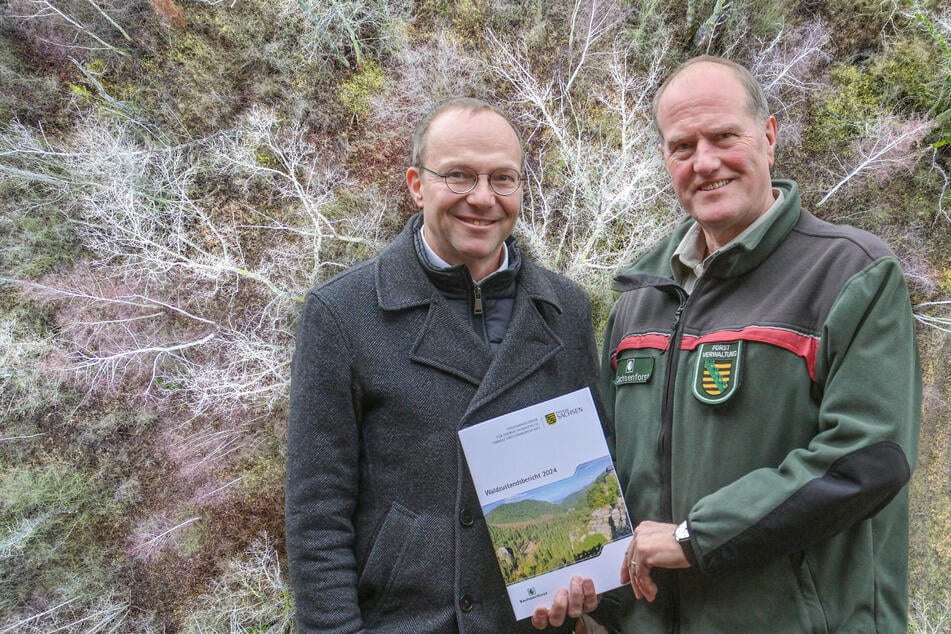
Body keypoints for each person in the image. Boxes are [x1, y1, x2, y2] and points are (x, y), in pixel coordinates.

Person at [598, 56, 922, 632]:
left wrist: (696, 537)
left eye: (724, 136)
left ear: (768, 138)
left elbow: (867, 457)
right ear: (665, 160)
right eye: (682, 146)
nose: (705, 162)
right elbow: (607, 480)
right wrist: (590, 598)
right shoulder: (637, 299)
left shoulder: (851, 275)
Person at [285, 97, 600, 633]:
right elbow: (318, 516)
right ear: (416, 184)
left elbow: (595, 469)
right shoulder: (342, 313)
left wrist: (590, 581)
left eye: (503, 178)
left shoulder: (567, 310)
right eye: (458, 175)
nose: (482, 198)